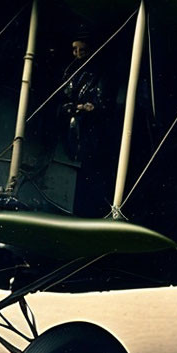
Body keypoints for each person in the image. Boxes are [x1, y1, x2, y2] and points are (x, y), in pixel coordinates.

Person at [60, 31, 117, 216]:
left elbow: (103, 102)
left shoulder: (100, 73)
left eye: (81, 50)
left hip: (92, 130)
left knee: (90, 169)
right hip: (74, 125)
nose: (77, 54)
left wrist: (89, 107)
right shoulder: (71, 72)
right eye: (74, 50)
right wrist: (72, 107)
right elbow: (64, 98)